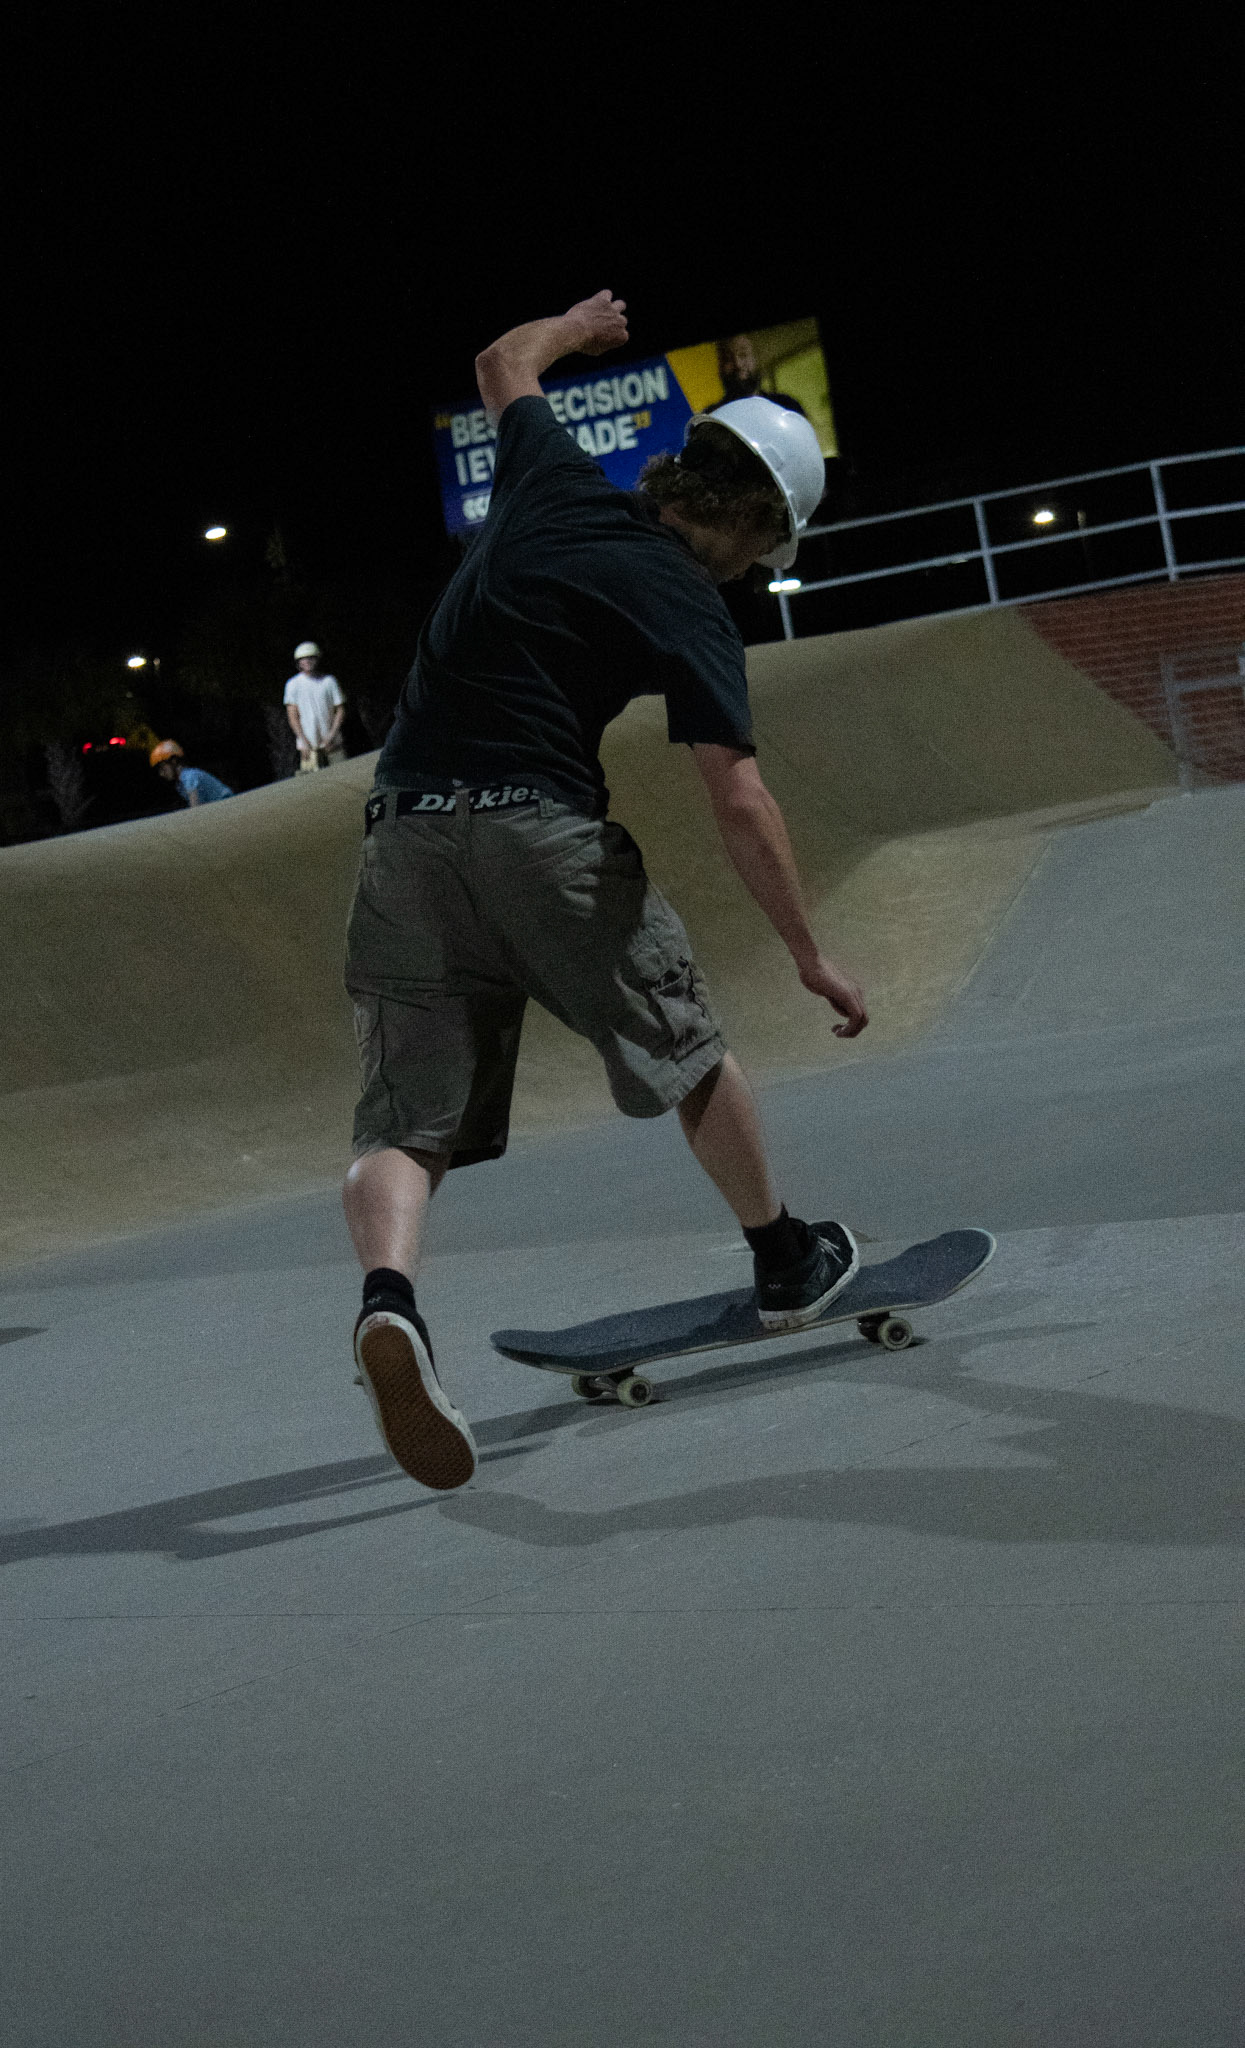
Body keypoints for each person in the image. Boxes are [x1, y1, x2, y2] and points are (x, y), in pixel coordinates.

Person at [341, 289, 868, 1494]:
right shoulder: (693, 604)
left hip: (400, 833)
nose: (750, 573)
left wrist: (578, 327)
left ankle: (389, 1302)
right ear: (752, 525)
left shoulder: (553, 475)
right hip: (539, 833)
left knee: (404, 1121)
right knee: (684, 1042)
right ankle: (785, 1257)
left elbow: (498, 360)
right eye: (760, 555)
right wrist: (808, 952)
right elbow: (739, 798)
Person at [283, 642, 345, 769]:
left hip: (333, 743)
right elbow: (292, 716)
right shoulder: (293, 685)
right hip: (308, 747)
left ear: (317, 659)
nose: (307, 661)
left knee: (344, 773)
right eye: (303, 659)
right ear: (299, 662)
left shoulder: (329, 681)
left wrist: (331, 735)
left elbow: (340, 710)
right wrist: (303, 741)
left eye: (310, 658)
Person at [150, 740, 233, 805]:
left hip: (226, 803)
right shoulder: (180, 785)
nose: (161, 774)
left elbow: (195, 808)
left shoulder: (189, 776)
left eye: (163, 768)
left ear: (174, 761)